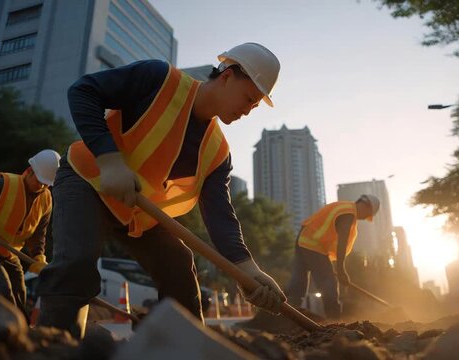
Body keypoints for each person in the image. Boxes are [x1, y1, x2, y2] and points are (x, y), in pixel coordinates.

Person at [36, 43, 286, 337]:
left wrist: (248, 269)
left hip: (136, 209)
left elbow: (220, 215)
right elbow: (83, 91)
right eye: (248, 98)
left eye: (254, 106)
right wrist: (109, 158)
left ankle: (186, 348)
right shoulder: (159, 79)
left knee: (179, 265)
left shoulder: (218, 152)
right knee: (77, 263)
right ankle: (54, 345)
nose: (247, 110)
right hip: (87, 180)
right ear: (228, 75)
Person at [0, 149, 60, 310]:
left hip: (9, 253)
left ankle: (20, 330)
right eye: (40, 180)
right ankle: (3, 331)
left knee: (20, 294)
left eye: (46, 183)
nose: (42, 186)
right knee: (2, 290)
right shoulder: (4, 184)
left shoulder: (46, 200)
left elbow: (38, 234)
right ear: (29, 171)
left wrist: (38, 257)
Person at [286, 194, 380, 320]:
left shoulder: (342, 206)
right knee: (328, 285)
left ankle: (286, 317)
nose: (364, 219)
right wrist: (341, 271)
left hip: (302, 240)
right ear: (366, 205)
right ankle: (334, 323)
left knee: (297, 284)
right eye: (367, 215)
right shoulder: (348, 213)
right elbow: (342, 242)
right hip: (314, 246)